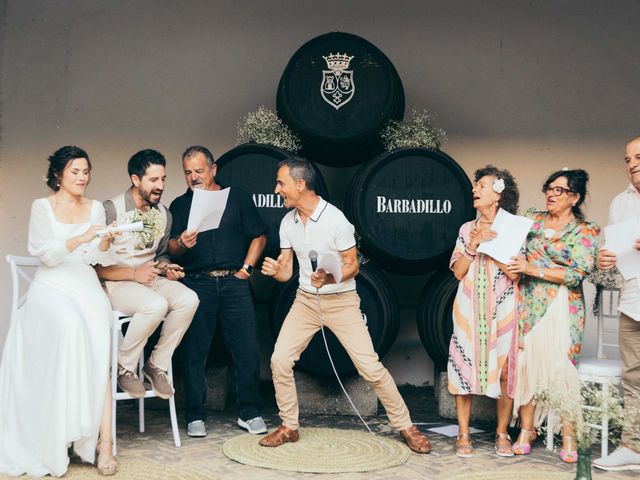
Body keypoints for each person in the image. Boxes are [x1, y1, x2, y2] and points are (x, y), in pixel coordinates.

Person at [259, 157, 432, 454]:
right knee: (279, 360)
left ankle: (407, 427)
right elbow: (287, 270)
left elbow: (352, 266)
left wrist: (330, 276)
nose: (277, 190)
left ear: (300, 184)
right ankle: (289, 426)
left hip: (341, 303)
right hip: (305, 302)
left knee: (370, 367)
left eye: (281, 183)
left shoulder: (335, 219)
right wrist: (277, 272)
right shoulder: (288, 222)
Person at [0, 146, 118, 476]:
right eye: (75, 172)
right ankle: (59, 434)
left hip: (83, 283)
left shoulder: (95, 208)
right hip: (50, 285)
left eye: (86, 171)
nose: (82, 178)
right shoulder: (42, 207)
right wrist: (81, 237)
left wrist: (106, 239)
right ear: (58, 175)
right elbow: (44, 254)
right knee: (68, 327)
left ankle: (103, 444)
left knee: (98, 339)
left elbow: (98, 258)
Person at [168, 146, 268, 437]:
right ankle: (195, 415)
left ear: (213, 170)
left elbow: (259, 236)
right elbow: (170, 248)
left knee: (247, 348)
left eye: (199, 171)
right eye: (187, 172)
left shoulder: (236, 198)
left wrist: (246, 271)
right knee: (194, 351)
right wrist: (181, 244)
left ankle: (250, 412)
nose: (193, 177)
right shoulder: (179, 205)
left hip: (234, 281)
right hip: (197, 282)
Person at [508, 169, 600, 463]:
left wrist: (532, 269)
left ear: (574, 197)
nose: (550, 193)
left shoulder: (586, 231)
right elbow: (511, 247)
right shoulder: (531, 220)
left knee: (562, 370)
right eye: (549, 187)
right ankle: (526, 430)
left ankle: (569, 433)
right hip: (528, 303)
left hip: (564, 308)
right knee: (526, 364)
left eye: (559, 190)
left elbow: (576, 275)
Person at [96, 149, 199, 400]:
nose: (160, 185)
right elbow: (96, 265)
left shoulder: (164, 214)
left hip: (150, 279)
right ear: (135, 179)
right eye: (153, 180)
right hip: (116, 282)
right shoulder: (110, 209)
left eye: (163, 179)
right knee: (155, 305)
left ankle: (155, 365)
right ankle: (123, 367)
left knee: (189, 299)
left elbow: (161, 255)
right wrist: (132, 273)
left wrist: (167, 268)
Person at [448, 166, 520, 458]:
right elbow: (457, 272)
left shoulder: (514, 228)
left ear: (498, 194)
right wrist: (475, 243)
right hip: (468, 306)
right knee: (462, 367)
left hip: (503, 307)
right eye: (475, 186)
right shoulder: (467, 228)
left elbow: (515, 274)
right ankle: (463, 433)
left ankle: (502, 433)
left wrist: (494, 246)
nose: (475, 190)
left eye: (481, 185)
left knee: (505, 371)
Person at [593, 136, 640, 472]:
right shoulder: (619, 203)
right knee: (633, 379)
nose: (632, 163)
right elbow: (609, 255)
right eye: (627, 159)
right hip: (633, 301)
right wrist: (604, 260)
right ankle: (632, 446)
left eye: (638, 156)